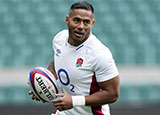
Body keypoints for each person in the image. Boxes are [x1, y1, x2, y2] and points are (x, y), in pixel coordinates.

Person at [29, 1, 120, 115]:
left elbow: (112, 94)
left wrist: (74, 101)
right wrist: (43, 87)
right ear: (67, 20)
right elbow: (58, 60)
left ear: (92, 23)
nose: (81, 26)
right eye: (76, 20)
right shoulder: (59, 39)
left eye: (86, 22)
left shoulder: (100, 54)